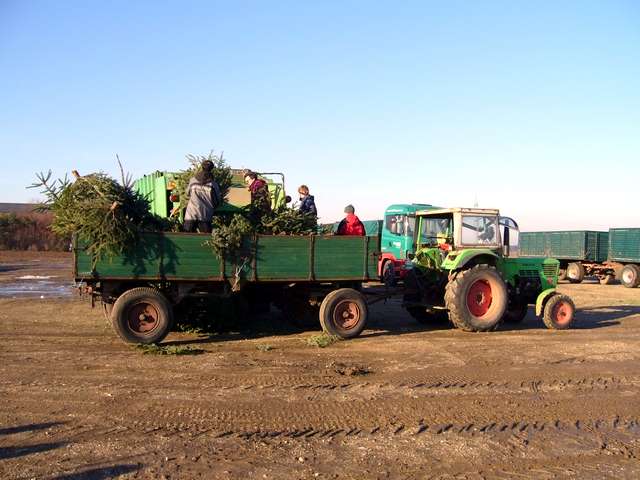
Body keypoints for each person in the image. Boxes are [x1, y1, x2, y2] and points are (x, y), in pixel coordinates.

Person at [183, 160, 221, 233]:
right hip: (205, 216)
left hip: (191, 214)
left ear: (202, 167)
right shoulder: (213, 184)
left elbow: (187, 193)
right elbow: (217, 201)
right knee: (206, 241)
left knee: (186, 238)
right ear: (211, 169)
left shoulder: (193, 180)